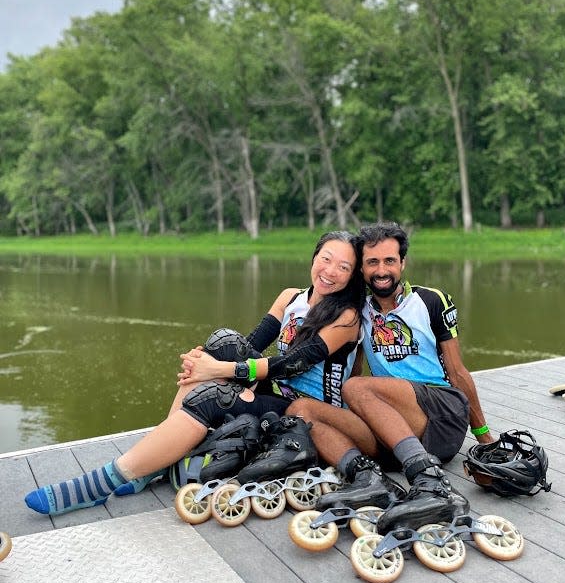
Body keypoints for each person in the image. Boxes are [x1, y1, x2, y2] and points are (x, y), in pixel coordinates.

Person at [24, 230, 376, 516]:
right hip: (276, 390)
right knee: (224, 340)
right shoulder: (291, 297)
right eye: (326, 259)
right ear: (314, 257)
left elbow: (294, 363)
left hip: (306, 407)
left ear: (352, 276)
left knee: (211, 395)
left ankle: (104, 482)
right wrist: (209, 362)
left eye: (344, 267)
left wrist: (220, 370)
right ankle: (155, 460)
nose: (330, 271)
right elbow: (250, 343)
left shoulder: (345, 318)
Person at [312, 221, 493, 516]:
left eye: (389, 261)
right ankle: (369, 480)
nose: (381, 270)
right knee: (303, 411)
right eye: (372, 262)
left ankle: (430, 482)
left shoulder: (431, 300)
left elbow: (458, 372)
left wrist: (484, 437)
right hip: (395, 428)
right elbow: (353, 370)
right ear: (361, 269)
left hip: (440, 414)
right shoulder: (359, 311)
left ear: (403, 263)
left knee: (356, 388)